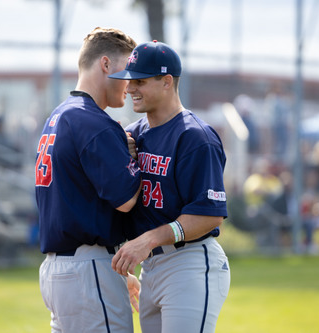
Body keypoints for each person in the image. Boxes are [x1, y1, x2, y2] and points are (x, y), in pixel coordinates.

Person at [109, 40, 230, 333]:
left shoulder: (195, 137)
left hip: (188, 261)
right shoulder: (132, 135)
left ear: (166, 82)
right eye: (129, 81)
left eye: (140, 81)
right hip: (150, 267)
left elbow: (208, 215)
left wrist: (148, 239)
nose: (129, 89)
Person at [35, 27, 142, 333]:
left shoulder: (60, 115)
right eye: (127, 71)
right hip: (87, 270)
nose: (130, 83)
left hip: (61, 270)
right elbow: (125, 200)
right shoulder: (94, 121)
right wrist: (133, 158)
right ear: (105, 64)